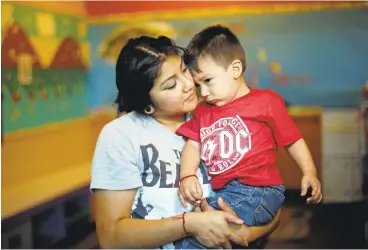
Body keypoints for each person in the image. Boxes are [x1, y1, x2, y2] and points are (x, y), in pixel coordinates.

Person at [90, 35, 281, 249]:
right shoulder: (121, 136)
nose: (189, 84)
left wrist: (249, 232)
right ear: (147, 105)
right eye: (171, 85)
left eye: (183, 69)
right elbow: (111, 238)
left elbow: (266, 195)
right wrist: (189, 224)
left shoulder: (217, 115)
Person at [176, 25, 323, 248]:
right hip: (226, 192)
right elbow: (193, 145)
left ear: (235, 69)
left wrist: (309, 171)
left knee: (201, 231)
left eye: (208, 81)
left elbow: (292, 139)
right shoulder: (202, 110)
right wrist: (187, 175)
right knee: (210, 226)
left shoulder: (267, 101)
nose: (203, 92)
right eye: (197, 85)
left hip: (258, 191)